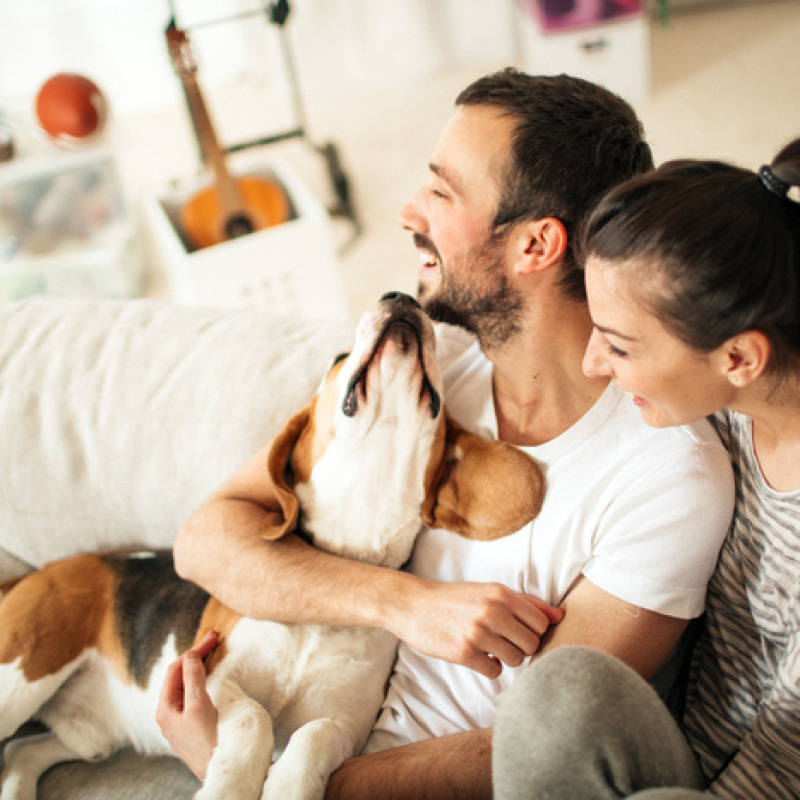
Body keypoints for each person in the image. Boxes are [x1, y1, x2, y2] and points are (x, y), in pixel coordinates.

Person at [156, 69, 735, 799]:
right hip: (296, 730)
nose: (407, 210)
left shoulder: (668, 476)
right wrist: (404, 603)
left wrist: (262, 778)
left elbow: (534, 743)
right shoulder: (430, 363)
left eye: (442, 191)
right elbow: (205, 540)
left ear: (535, 245)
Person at [492, 139, 800, 799]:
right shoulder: (729, 406)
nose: (593, 363)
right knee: (558, 692)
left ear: (740, 358)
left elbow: (780, 772)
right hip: (683, 741)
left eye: (621, 345)